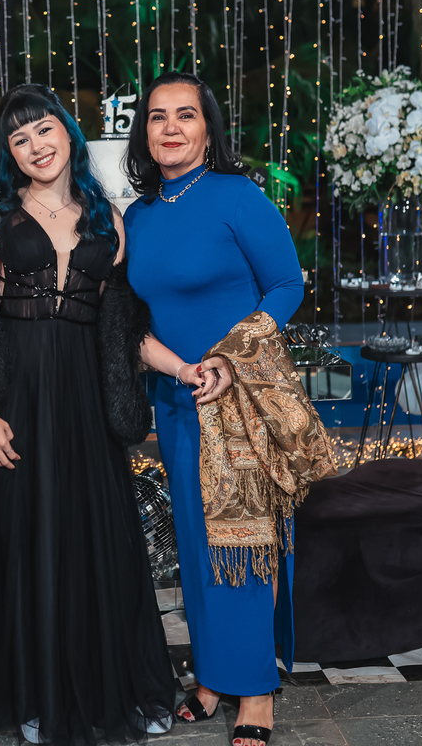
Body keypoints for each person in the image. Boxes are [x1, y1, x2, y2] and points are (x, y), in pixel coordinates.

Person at [0, 84, 176, 745]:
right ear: (9, 154)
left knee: (96, 540)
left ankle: (110, 690)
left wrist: (185, 368)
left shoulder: (110, 219)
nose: (36, 146)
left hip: (86, 399)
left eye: (44, 130)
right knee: (27, 540)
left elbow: (124, 329)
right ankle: (34, 695)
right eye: (19, 139)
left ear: (68, 134)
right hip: (14, 398)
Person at [120, 72, 317, 746]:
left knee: (246, 547)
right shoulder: (139, 216)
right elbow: (135, 316)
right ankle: (211, 677)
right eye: (157, 116)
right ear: (144, 133)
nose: (171, 127)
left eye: (186, 115)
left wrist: (233, 355)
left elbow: (287, 285)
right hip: (178, 402)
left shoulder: (238, 196)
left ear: (208, 129)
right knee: (198, 546)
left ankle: (254, 691)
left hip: (241, 403)